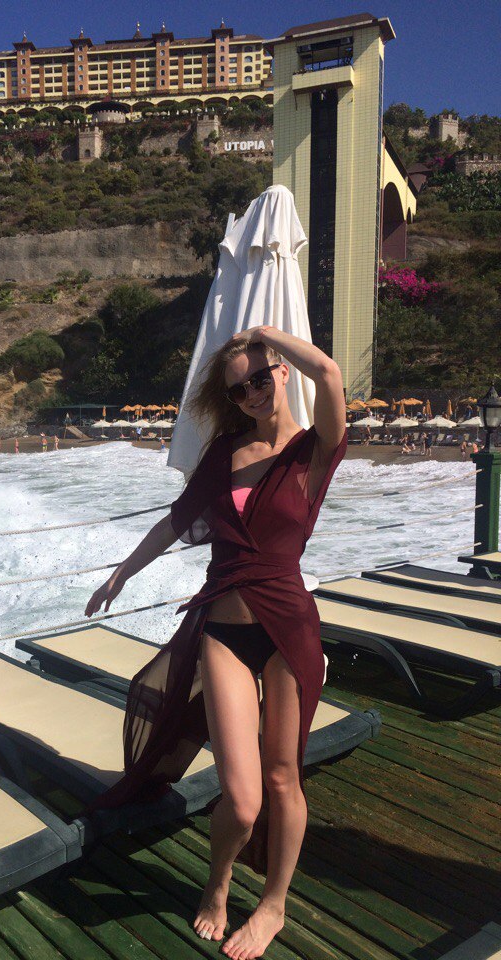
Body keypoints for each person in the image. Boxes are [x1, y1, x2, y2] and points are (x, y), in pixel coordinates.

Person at [84, 325, 347, 959]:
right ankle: (219, 880)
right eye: (238, 389)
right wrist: (121, 574)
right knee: (244, 798)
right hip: (224, 631)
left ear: (281, 371)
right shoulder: (225, 452)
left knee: (283, 777)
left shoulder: (315, 450)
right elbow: (176, 521)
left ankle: (274, 906)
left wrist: (265, 335)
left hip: (289, 630)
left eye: (260, 377)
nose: (252, 393)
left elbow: (331, 375)